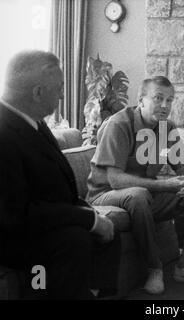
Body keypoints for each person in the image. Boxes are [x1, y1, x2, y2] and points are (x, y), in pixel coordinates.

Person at [0, 50, 120, 299]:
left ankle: (96, 294)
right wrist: (86, 220)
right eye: (60, 87)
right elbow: (19, 214)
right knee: (75, 239)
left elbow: (55, 186)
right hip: (14, 235)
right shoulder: (4, 133)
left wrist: (88, 213)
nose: (63, 95)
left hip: (44, 222)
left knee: (108, 230)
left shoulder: (36, 123)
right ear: (38, 92)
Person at [86, 76, 184, 295]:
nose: (165, 105)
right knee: (138, 194)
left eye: (169, 100)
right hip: (105, 194)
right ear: (141, 100)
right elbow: (116, 180)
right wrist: (167, 186)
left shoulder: (167, 128)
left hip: (145, 194)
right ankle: (154, 268)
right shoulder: (119, 124)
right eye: (158, 98)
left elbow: (182, 168)